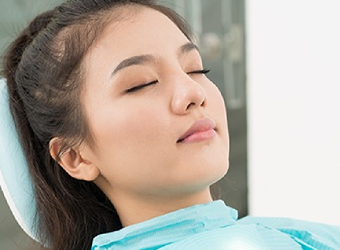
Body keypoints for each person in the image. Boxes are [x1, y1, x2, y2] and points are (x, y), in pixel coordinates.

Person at [1, 0, 339, 249]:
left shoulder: (284, 234)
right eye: (142, 83)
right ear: (75, 156)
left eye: (196, 69)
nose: (193, 93)